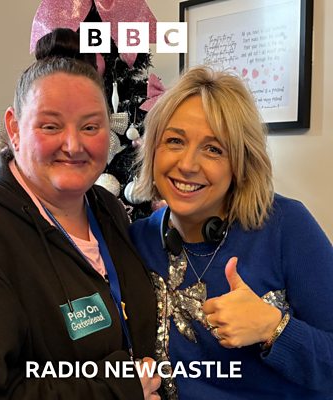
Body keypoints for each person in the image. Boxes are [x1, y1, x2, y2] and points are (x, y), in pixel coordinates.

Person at [0, 28, 160, 399]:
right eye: (50, 126)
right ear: (14, 128)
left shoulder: (107, 210)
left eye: (90, 126)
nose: (73, 145)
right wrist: (115, 391)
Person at [129, 65, 333, 399]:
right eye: (175, 141)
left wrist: (274, 328)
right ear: (152, 150)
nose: (188, 165)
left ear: (240, 164)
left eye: (213, 149)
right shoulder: (138, 239)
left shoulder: (286, 226)